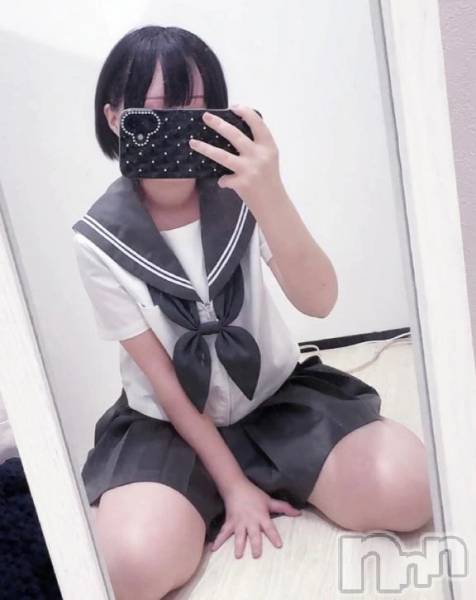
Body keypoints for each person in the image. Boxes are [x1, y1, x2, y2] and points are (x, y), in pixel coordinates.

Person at [72, 24, 433, 600]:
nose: (179, 125)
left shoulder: (242, 191)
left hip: (274, 397)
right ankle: (203, 493)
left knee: (411, 491)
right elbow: (166, 385)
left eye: (195, 108)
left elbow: (319, 302)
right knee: (129, 569)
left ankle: (270, 474)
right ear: (116, 118)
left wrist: (270, 192)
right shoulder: (98, 238)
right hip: (169, 424)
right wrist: (234, 486)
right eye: (156, 110)